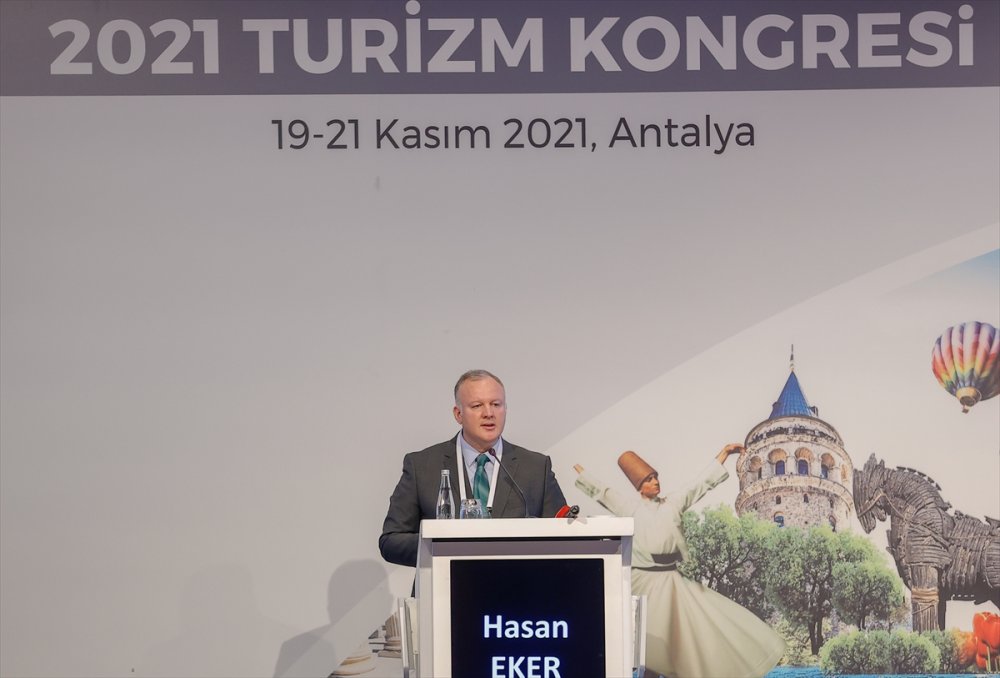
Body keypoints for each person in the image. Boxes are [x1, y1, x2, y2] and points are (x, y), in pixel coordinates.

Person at [574, 444, 784, 678]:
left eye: (655, 477)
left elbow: (701, 484)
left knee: (690, 633)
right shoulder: (629, 508)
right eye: (649, 479)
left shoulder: (673, 503)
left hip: (670, 581)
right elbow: (604, 493)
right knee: (650, 640)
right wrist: (581, 473)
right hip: (642, 581)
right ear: (640, 486)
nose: (655, 482)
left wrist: (724, 453)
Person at [379, 369, 567, 567]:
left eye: (496, 404)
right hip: (444, 584)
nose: (489, 413)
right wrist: (441, 545)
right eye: (477, 406)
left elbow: (564, 537)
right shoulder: (422, 466)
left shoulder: (536, 467)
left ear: (505, 409)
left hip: (517, 583)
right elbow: (391, 541)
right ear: (458, 414)